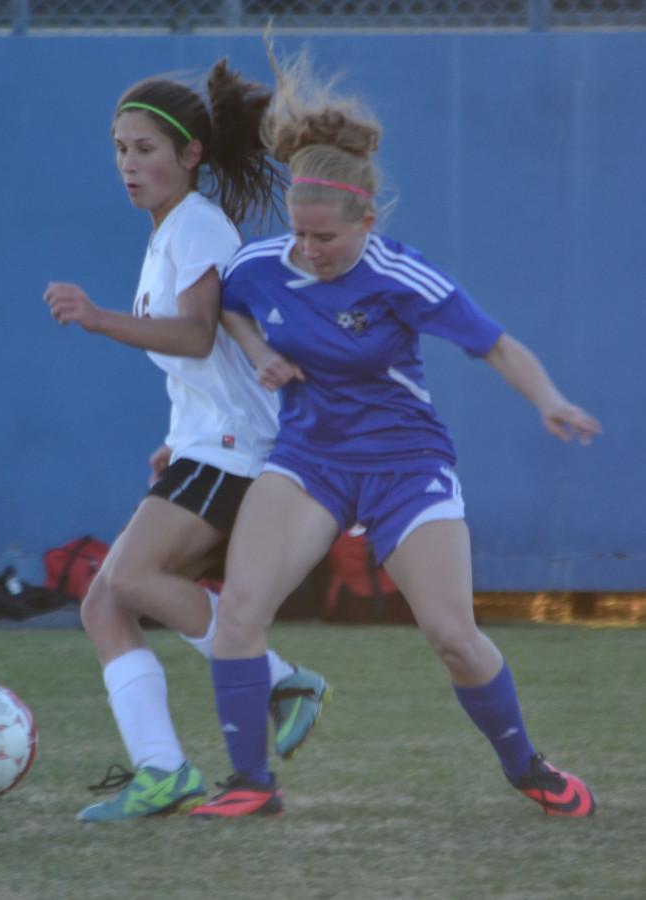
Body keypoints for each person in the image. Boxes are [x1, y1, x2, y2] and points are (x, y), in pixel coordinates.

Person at [189, 44, 602, 819]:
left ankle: (528, 767)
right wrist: (257, 353)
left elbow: (496, 343)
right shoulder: (262, 265)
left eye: (326, 239)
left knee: (451, 634)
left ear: (366, 222)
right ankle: (251, 783)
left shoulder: (400, 275)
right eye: (298, 234)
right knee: (240, 610)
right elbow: (226, 310)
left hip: (406, 465)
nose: (307, 252)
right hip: (309, 459)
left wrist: (548, 400)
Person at [44, 61, 330, 822]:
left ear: (191, 155)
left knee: (129, 579)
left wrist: (99, 316)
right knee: (104, 602)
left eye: (145, 149)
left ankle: (278, 679)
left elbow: (200, 334)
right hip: (206, 444)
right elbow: (203, 365)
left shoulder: (198, 222)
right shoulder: (169, 233)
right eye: (119, 149)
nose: (129, 165)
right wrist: (175, 440)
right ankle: (162, 770)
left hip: (237, 449)